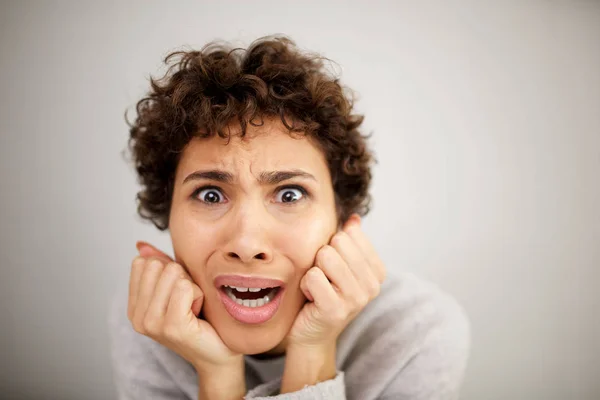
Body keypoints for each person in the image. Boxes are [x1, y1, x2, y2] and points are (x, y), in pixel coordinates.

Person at [108, 36, 470, 400]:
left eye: (289, 194)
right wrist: (216, 373)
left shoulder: (418, 332)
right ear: (167, 209)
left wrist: (314, 349)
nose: (248, 245)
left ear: (342, 217)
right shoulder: (150, 322)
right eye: (210, 195)